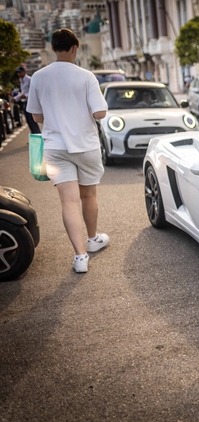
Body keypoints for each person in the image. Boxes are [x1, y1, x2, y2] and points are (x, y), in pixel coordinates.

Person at [26, 28, 110, 273]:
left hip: (55, 148)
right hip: (85, 146)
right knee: (88, 196)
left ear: (53, 49)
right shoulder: (86, 77)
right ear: (75, 48)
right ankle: (93, 240)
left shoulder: (39, 77)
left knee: (68, 201)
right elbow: (99, 113)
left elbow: (36, 115)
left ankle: (80, 256)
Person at [16, 66, 40, 133]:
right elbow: (22, 92)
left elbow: (34, 91)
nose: (19, 74)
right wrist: (16, 98)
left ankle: (37, 135)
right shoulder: (21, 80)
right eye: (18, 73)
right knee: (28, 121)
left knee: (32, 120)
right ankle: (34, 136)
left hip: (30, 101)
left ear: (24, 72)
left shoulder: (29, 79)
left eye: (20, 72)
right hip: (24, 102)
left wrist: (26, 96)